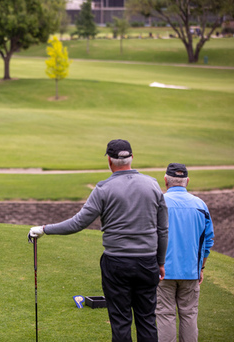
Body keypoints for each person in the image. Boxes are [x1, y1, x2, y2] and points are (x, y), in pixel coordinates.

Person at [28, 139, 168, 342]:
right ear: (132, 158)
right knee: (147, 320)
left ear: (109, 161)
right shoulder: (153, 185)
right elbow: (163, 229)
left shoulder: (103, 189)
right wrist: (160, 262)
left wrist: (44, 229)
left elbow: (77, 223)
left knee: (120, 321)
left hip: (116, 263)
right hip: (147, 262)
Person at [156, 163, 214, 342]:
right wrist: (201, 268)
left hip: (162, 272)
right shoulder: (200, 205)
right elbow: (208, 240)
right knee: (189, 315)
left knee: (165, 315)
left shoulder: (159, 203)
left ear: (165, 181)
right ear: (187, 181)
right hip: (190, 272)